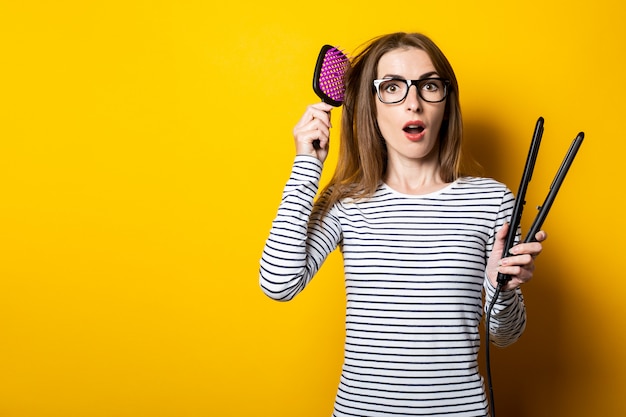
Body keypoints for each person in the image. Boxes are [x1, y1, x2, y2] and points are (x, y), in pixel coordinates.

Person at [259, 32, 546, 417]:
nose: (414, 103)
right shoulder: (347, 201)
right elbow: (279, 283)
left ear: (446, 101)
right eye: (392, 87)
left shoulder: (490, 200)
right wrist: (307, 165)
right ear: (371, 106)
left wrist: (501, 287)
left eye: (429, 86)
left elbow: (506, 335)